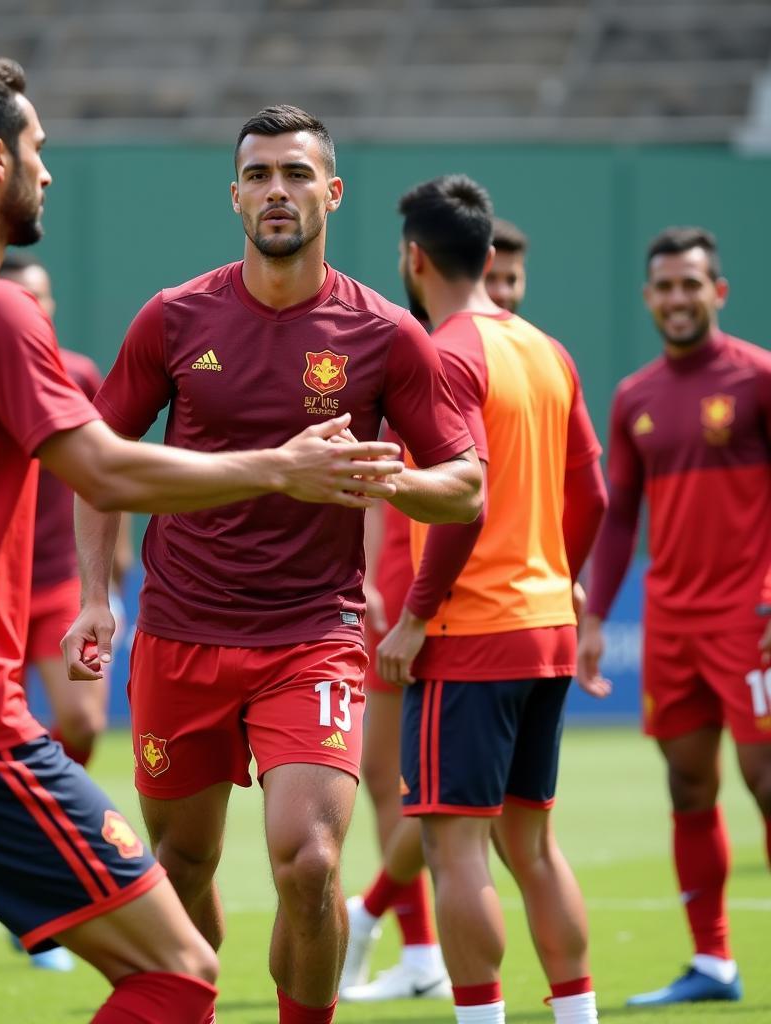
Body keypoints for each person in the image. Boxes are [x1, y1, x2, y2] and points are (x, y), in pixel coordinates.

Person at [0, 55, 409, 1024]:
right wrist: (277, 467)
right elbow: (107, 467)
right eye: (39, 149)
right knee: (178, 972)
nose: (50, 171)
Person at [62, 105, 483, 1024]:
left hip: (313, 637)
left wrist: (391, 482)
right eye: (259, 176)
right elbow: (94, 461)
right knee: (182, 866)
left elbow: (467, 487)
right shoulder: (174, 319)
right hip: (179, 632)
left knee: (311, 860)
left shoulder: (383, 333)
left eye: (296, 174)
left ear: (332, 192)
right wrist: (97, 597)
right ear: (235, 197)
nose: (277, 192)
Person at [345, 175, 607, 1023]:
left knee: (456, 850)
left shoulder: (442, 355)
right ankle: (577, 1014)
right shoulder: (548, 350)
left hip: (470, 634)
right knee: (532, 846)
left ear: (411, 259)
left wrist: (416, 617)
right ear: (490, 257)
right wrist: (562, 570)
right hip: (547, 628)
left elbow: (466, 504)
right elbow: (593, 498)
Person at [343, 212, 536, 1003]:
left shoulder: (519, 360)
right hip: (405, 586)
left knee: (457, 805)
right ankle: (418, 948)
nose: (506, 291)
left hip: (481, 604)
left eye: (516, 279)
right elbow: (374, 478)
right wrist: (365, 575)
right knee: (396, 784)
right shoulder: (411, 355)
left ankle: (381, 917)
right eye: (499, 275)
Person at [579, 226, 771, 1006]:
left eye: (692, 284)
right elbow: (621, 515)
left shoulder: (758, 378)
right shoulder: (635, 396)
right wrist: (594, 615)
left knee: (766, 782)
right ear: (648, 298)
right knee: (688, 789)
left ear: (717, 292)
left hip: (750, 615)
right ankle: (714, 965)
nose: (678, 299)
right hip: (671, 624)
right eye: (664, 286)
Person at [0, 251, 133, 973]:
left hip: (56, 584)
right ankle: (25, 893)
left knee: (81, 721)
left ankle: (26, 835)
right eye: (19, 298)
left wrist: (111, 572)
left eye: (42, 298)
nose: (33, 309)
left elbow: (108, 471)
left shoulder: (80, 375)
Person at [484, 218, 528, 314]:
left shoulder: (528, 329)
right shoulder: (445, 328)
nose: (502, 293)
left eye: (511, 280)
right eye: (489, 278)